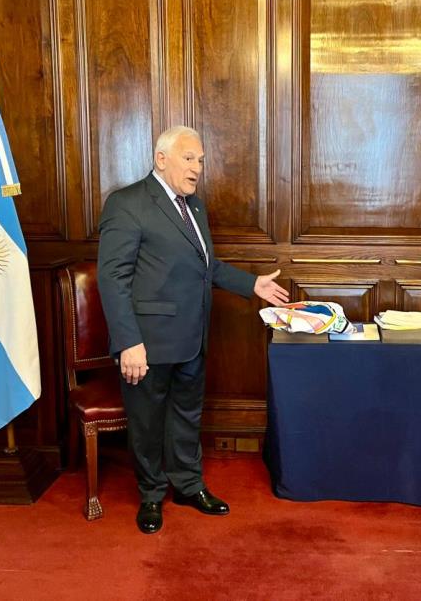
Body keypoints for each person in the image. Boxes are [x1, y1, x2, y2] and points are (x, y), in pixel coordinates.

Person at [97, 125, 289, 534]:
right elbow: (112, 279)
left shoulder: (194, 207)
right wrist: (128, 342)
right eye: (189, 158)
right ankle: (151, 495)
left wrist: (251, 284)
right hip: (146, 344)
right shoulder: (127, 203)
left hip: (192, 337)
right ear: (161, 158)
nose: (198, 168)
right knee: (147, 420)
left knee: (186, 416)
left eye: (201, 160)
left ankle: (187, 485)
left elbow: (207, 267)